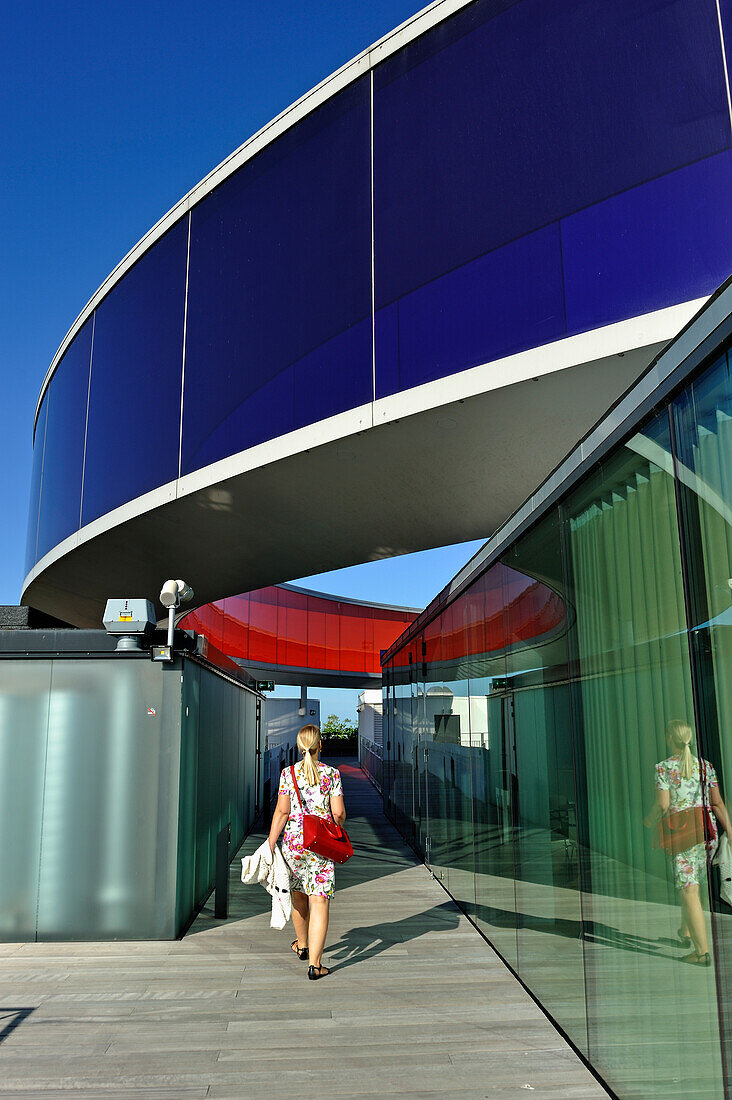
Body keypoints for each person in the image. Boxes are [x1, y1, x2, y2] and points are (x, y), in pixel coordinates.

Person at [645, 720, 731, 966]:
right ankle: (685, 931)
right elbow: (717, 803)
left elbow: (662, 805)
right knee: (695, 885)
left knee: (689, 890)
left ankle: (702, 952)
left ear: (669, 738)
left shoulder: (663, 768)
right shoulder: (705, 766)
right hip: (706, 833)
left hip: (683, 836)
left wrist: (649, 821)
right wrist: (730, 830)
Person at [268, 724, 346, 980]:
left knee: (298, 896)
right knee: (319, 901)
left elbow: (282, 812)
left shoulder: (287, 774)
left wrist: (270, 843)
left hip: (293, 845)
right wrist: (339, 824)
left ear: (299, 745)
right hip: (320, 845)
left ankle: (302, 945)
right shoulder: (332, 774)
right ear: (319, 744)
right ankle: (314, 964)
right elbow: (338, 814)